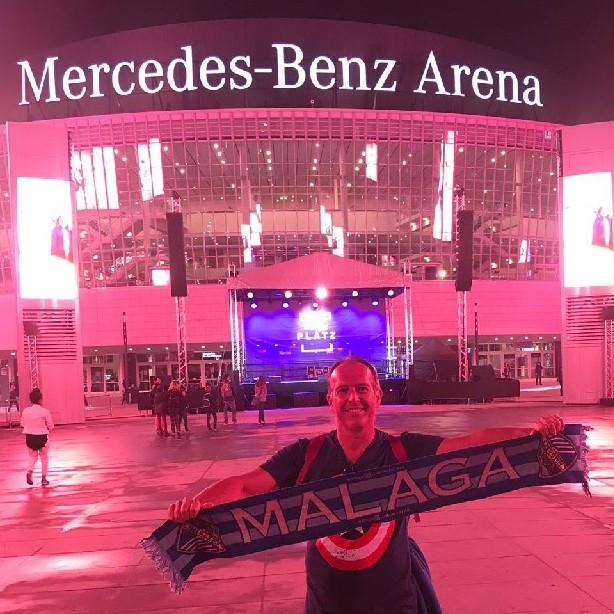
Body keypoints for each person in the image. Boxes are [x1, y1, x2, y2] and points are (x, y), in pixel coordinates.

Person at [168, 356, 564, 614]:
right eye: (343, 390)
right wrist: (196, 506)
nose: (352, 398)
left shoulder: (404, 450)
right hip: (326, 607)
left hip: (396, 606)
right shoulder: (305, 455)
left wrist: (530, 434)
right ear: (330, 399)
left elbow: (470, 445)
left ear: (377, 395)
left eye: (361, 389)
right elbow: (243, 487)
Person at [20, 388, 54, 487]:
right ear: (40, 400)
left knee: (32, 456)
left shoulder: (26, 411)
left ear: (31, 400)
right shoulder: (45, 411)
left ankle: (29, 472)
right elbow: (50, 426)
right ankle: (43, 479)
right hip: (42, 437)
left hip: (30, 437)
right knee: (44, 458)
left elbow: (22, 424)